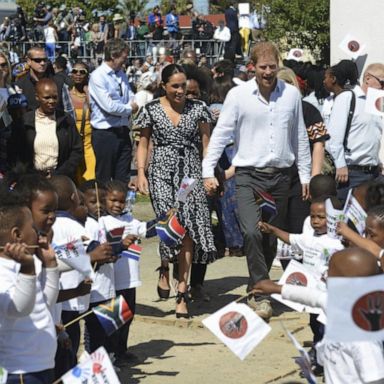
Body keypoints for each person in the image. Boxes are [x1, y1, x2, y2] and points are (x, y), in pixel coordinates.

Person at [202, 42, 311, 320]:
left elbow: (299, 135)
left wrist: (305, 173)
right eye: (262, 67)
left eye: (272, 67)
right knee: (251, 231)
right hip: (248, 175)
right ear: (252, 67)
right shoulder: (238, 96)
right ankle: (262, 294)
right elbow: (222, 133)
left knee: (269, 236)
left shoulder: (291, 96)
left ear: (278, 66)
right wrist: (207, 170)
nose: (267, 72)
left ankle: (258, 282)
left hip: (281, 177)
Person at [135, 64, 216, 318]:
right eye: (175, 86)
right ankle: (163, 266)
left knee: (188, 228)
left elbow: (207, 145)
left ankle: (182, 292)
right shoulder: (151, 110)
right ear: (164, 86)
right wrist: (140, 172)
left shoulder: (199, 109)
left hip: (190, 172)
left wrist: (208, 174)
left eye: (184, 86)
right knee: (169, 223)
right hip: (160, 171)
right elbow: (144, 142)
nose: (181, 91)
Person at [253, 247, 384, 384]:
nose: (325, 274)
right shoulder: (337, 303)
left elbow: (376, 379)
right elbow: (312, 296)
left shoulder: (362, 338)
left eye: (331, 271)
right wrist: (277, 288)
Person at [0, 187, 59, 384]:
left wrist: (50, 266)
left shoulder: (30, 263)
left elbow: (45, 303)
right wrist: (27, 269)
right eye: (33, 228)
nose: (38, 233)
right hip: (19, 371)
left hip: (40, 365)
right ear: (17, 235)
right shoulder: (3, 270)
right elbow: (18, 309)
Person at [325, 61, 384, 202]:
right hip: (351, 174)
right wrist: (340, 165)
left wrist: (377, 160)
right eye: (382, 82)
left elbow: (371, 136)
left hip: (373, 173)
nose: (383, 87)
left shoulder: (376, 104)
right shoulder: (348, 98)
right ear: (368, 78)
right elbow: (333, 137)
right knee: (348, 220)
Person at [13, 78, 83, 179]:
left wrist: (61, 173)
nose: (51, 101)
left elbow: (77, 150)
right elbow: (15, 152)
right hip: (31, 180)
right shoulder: (24, 122)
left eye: (55, 97)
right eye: (47, 98)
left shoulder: (66, 120)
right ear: (37, 97)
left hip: (61, 179)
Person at [89, 38, 137, 184]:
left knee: (122, 178)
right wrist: (129, 108)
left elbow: (130, 96)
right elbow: (108, 106)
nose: (125, 60)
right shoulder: (98, 76)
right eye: (123, 57)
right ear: (113, 55)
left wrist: (129, 106)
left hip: (122, 131)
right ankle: (102, 207)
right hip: (105, 134)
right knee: (104, 178)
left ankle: (122, 206)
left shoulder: (121, 74)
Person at [15, 46, 70, 112]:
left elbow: (69, 111)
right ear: (29, 61)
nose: (42, 63)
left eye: (45, 60)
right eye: (38, 60)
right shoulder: (19, 85)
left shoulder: (59, 83)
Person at [69, 61, 96, 183]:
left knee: (90, 175)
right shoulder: (67, 95)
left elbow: (95, 110)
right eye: (75, 71)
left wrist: (88, 92)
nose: (78, 74)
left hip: (89, 143)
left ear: (87, 75)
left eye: (82, 72)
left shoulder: (92, 94)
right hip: (73, 143)